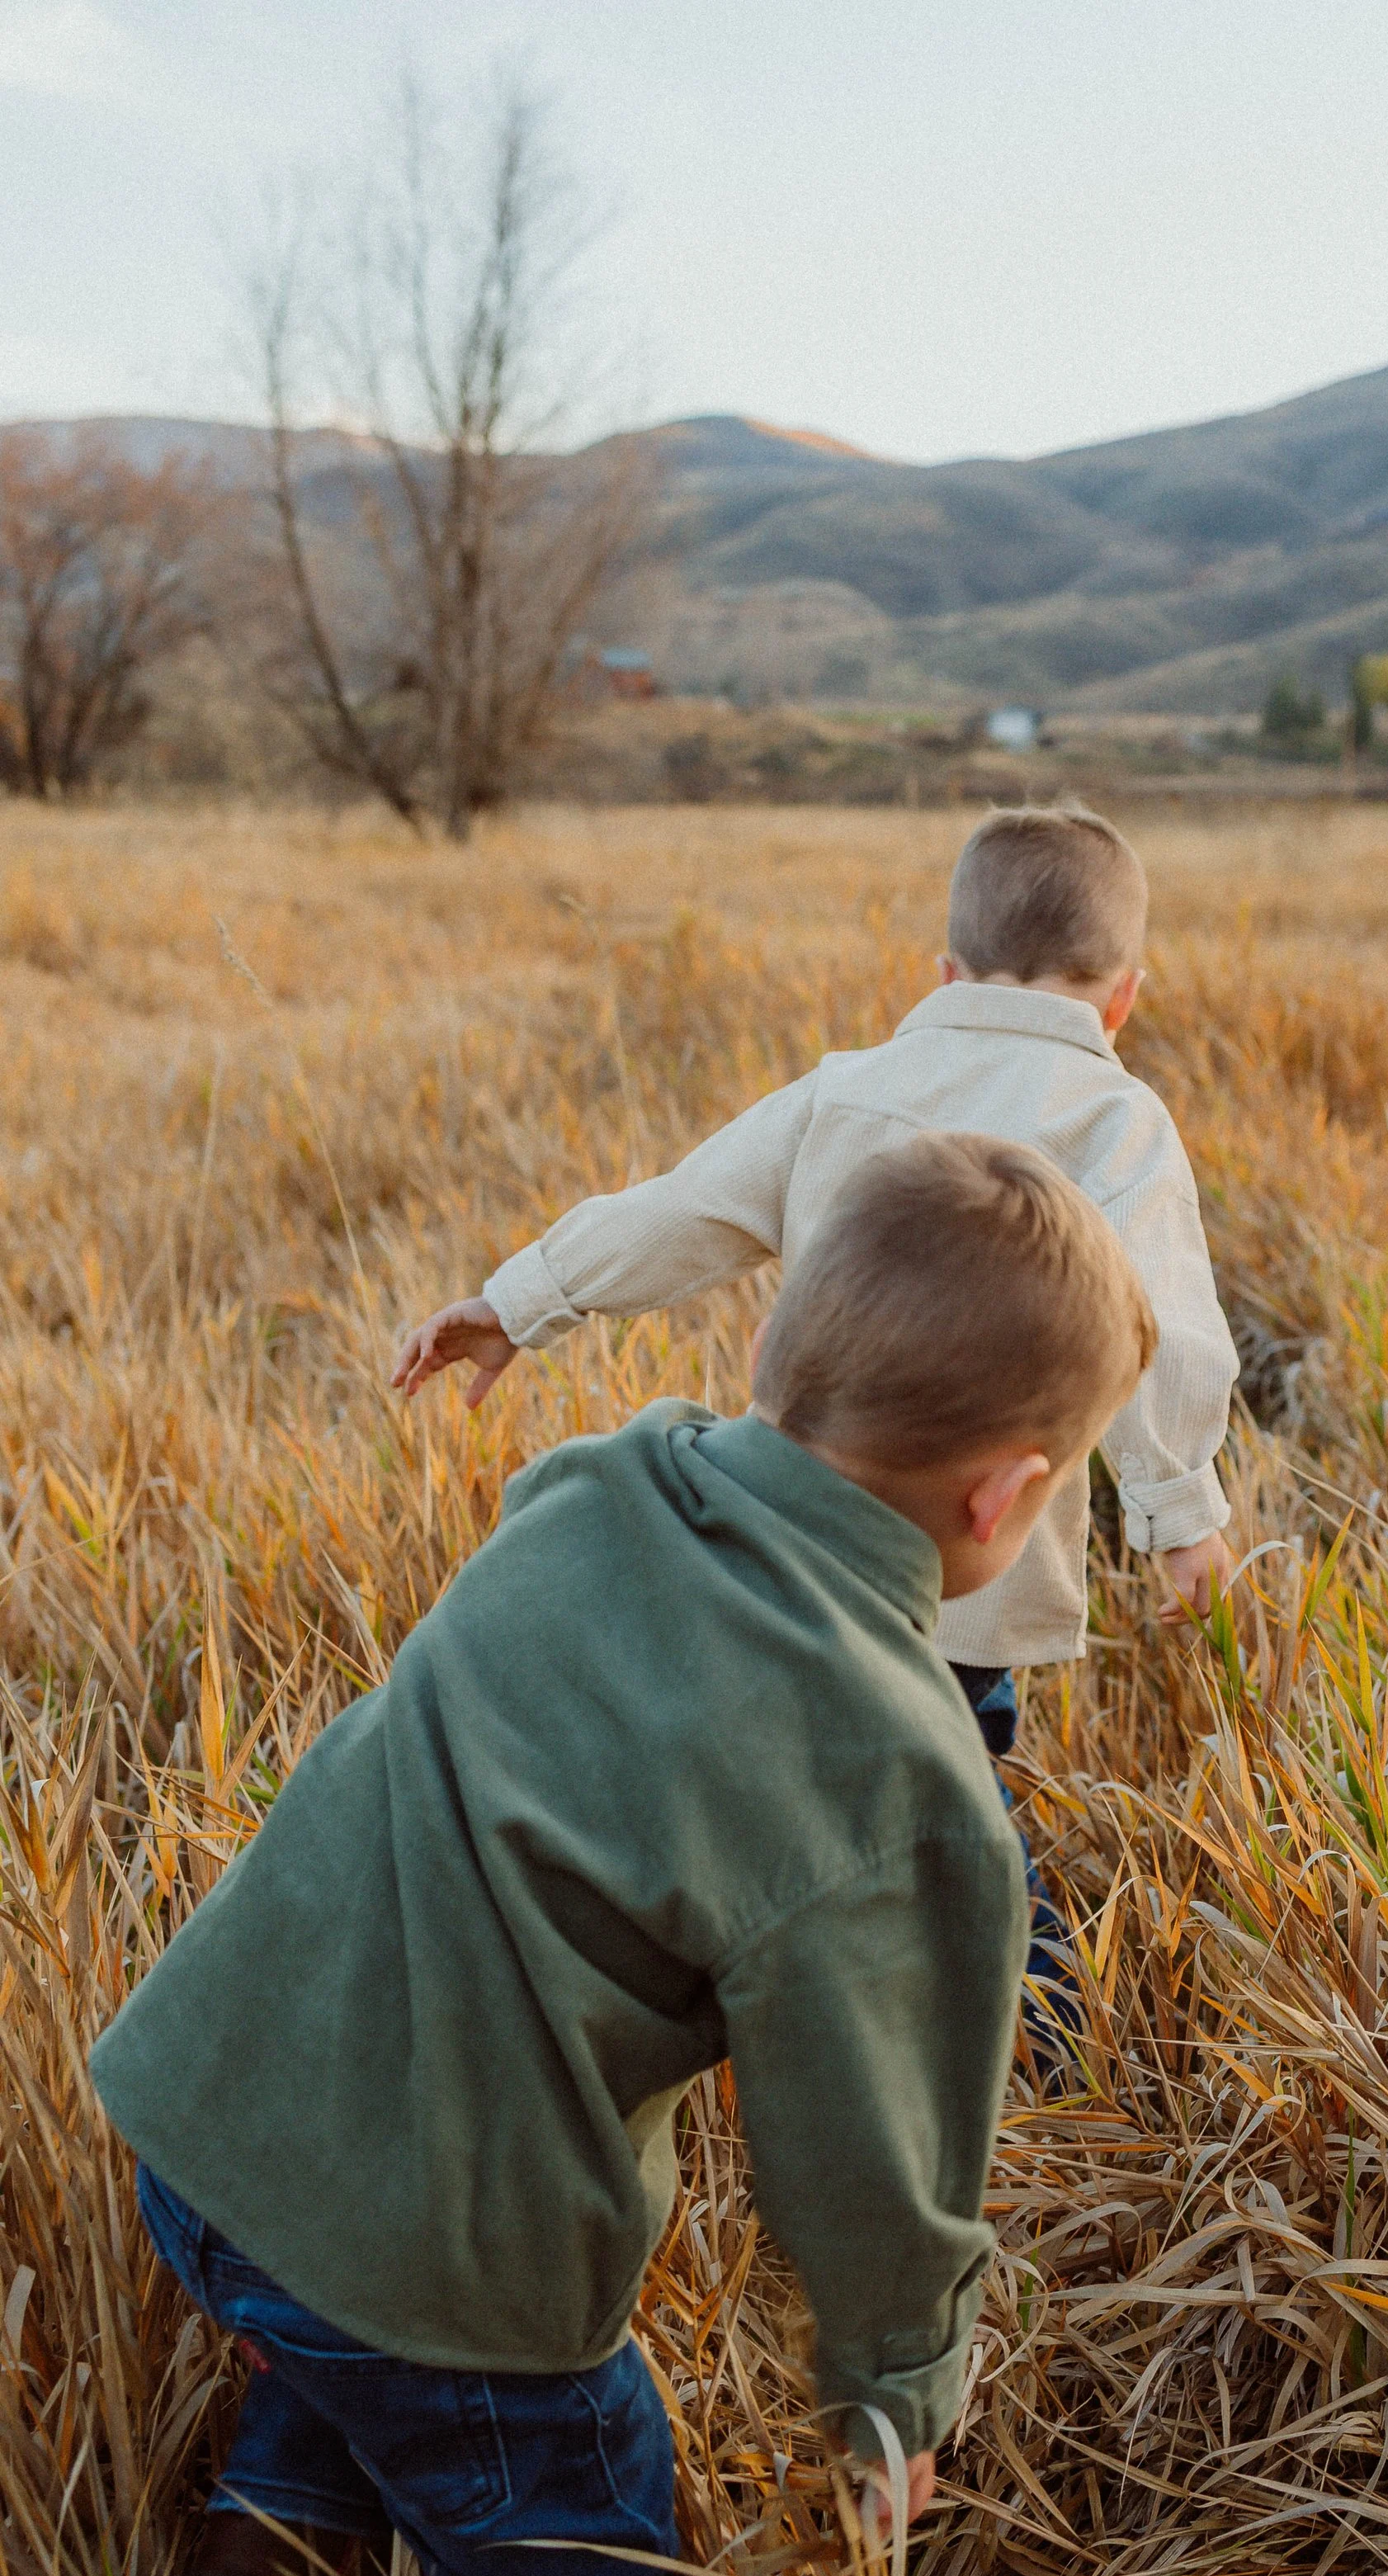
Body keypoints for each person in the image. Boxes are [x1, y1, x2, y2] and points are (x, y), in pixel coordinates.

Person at [97, 1132, 1157, 2576]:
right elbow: (874, 2153)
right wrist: (891, 2393)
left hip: (206, 2112)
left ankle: (261, 2573)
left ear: (781, 1357)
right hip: (439, 2256)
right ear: (1007, 1501)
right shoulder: (898, 1774)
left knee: (344, 2322)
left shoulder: (597, 1483)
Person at [391, 802, 1241, 2063]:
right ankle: (1047, 2044)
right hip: (957, 1573)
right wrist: (1180, 1516)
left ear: (943, 974)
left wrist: (521, 1301)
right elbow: (1163, 1325)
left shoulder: (848, 1090)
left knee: (817, 1777)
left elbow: (681, 1210)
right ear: (1126, 998)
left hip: (787, 1537)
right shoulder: (1118, 1127)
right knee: (949, 1808)